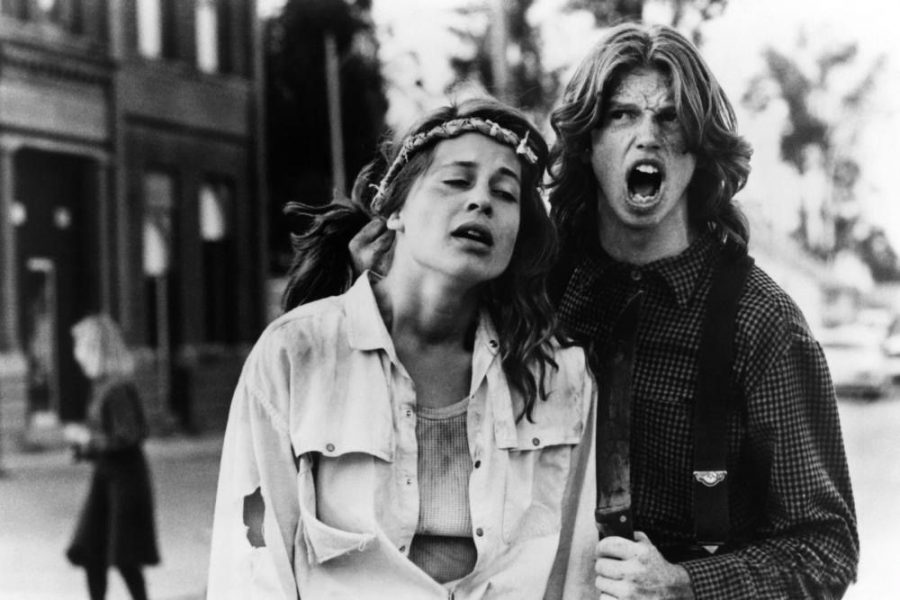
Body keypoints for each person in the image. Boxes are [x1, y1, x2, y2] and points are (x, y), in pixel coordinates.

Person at [206, 98, 598, 598]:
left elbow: (576, 575)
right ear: (395, 211)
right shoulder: (296, 356)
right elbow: (251, 576)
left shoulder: (558, 377)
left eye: (506, 193)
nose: (482, 201)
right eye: (456, 181)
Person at [546, 22, 859, 599]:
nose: (647, 137)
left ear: (699, 151)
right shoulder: (542, 295)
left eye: (670, 119)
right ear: (587, 143)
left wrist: (686, 585)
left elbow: (826, 548)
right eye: (621, 115)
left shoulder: (761, 322)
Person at [66, 314, 159, 600]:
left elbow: (129, 435)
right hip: (107, 479)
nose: (76, 353)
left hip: (125, 481)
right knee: (92, 551)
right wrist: (84, 445)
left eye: (79, 345)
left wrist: (87, 440)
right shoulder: (104, 385)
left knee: (125, 556)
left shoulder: (117, 388)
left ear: (94, 348)